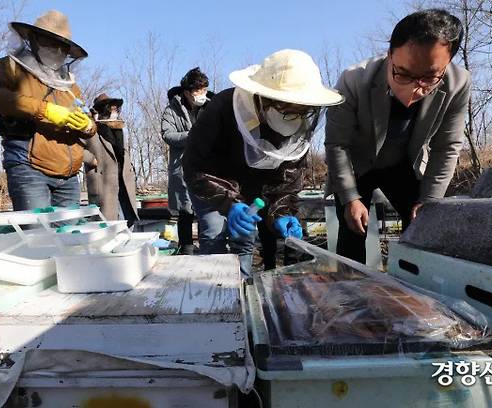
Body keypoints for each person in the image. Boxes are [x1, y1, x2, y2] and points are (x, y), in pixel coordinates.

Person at [325, 9, 470, 264]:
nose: (414, 89)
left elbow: (447, 146)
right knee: (351, 235)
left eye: (429, 77)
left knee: (422, 227)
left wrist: (430, 199)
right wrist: (350, 197)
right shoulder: (353, 80)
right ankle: (351, 295)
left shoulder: (458, 84)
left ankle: (417, 291)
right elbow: (337, 144)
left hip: (403, 163)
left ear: (446, 65)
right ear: (389, 55)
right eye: (402, 73)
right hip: (356, 165)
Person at [183, 49, 344, 276]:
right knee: (214, 235)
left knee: (245, 239)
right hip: (211, 183)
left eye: (303, 111)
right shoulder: (221, 109)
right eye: (288, 109)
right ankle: (213, 296)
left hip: (252, 192)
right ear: (264, 99)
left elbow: (286, 182)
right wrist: (229, 202)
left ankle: (243, 294)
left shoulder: (298, 133)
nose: (295, 117)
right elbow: (195, 166)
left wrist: (281, 212)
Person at [0, 10, 95, 210]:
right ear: (34, 39)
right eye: (50, 42)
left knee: (70, 238)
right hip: (30, 169)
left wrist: (88, 126)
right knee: (38, 236)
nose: (56, 50)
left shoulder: (69, 84)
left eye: (61, 46)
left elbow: (87, 118)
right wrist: (45, 110)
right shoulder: (11, 67)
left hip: (70, 176)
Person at [161, 68, 214, 255]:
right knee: (185, 210)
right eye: (197, 91)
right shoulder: (172, 109)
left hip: (207, 166)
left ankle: (208, 247)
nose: (201, 95)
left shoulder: (211, 107)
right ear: (186, 92)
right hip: (182, 166)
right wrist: (192, 136)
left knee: (206, 210)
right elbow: (168, 135)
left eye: (204, 90)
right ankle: (187, 249)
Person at [84, 94, 139, 224]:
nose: (114, 111)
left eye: (116, 108)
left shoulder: (118, 128)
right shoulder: (89, 126)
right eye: (111, 108)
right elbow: (76, 148)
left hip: (123, 180)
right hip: (103, 181)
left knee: (128, 220)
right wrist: (91, 159)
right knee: (108, 223)